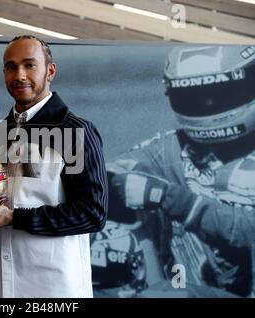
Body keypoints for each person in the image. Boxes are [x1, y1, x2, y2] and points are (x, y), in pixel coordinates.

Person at [108, 45, 255, 297]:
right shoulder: (173, 148)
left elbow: (247, 231)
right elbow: (113, 169)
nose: (208, 103)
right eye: (195, 97)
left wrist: (172, 199)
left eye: (219, 93)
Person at [0, 35, 108, 297]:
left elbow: (92, 212)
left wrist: (16, 218)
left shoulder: (75, 132)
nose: (20, 75)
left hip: (56, 290)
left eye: (29, 65)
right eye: (11, 67)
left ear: (50, 70)